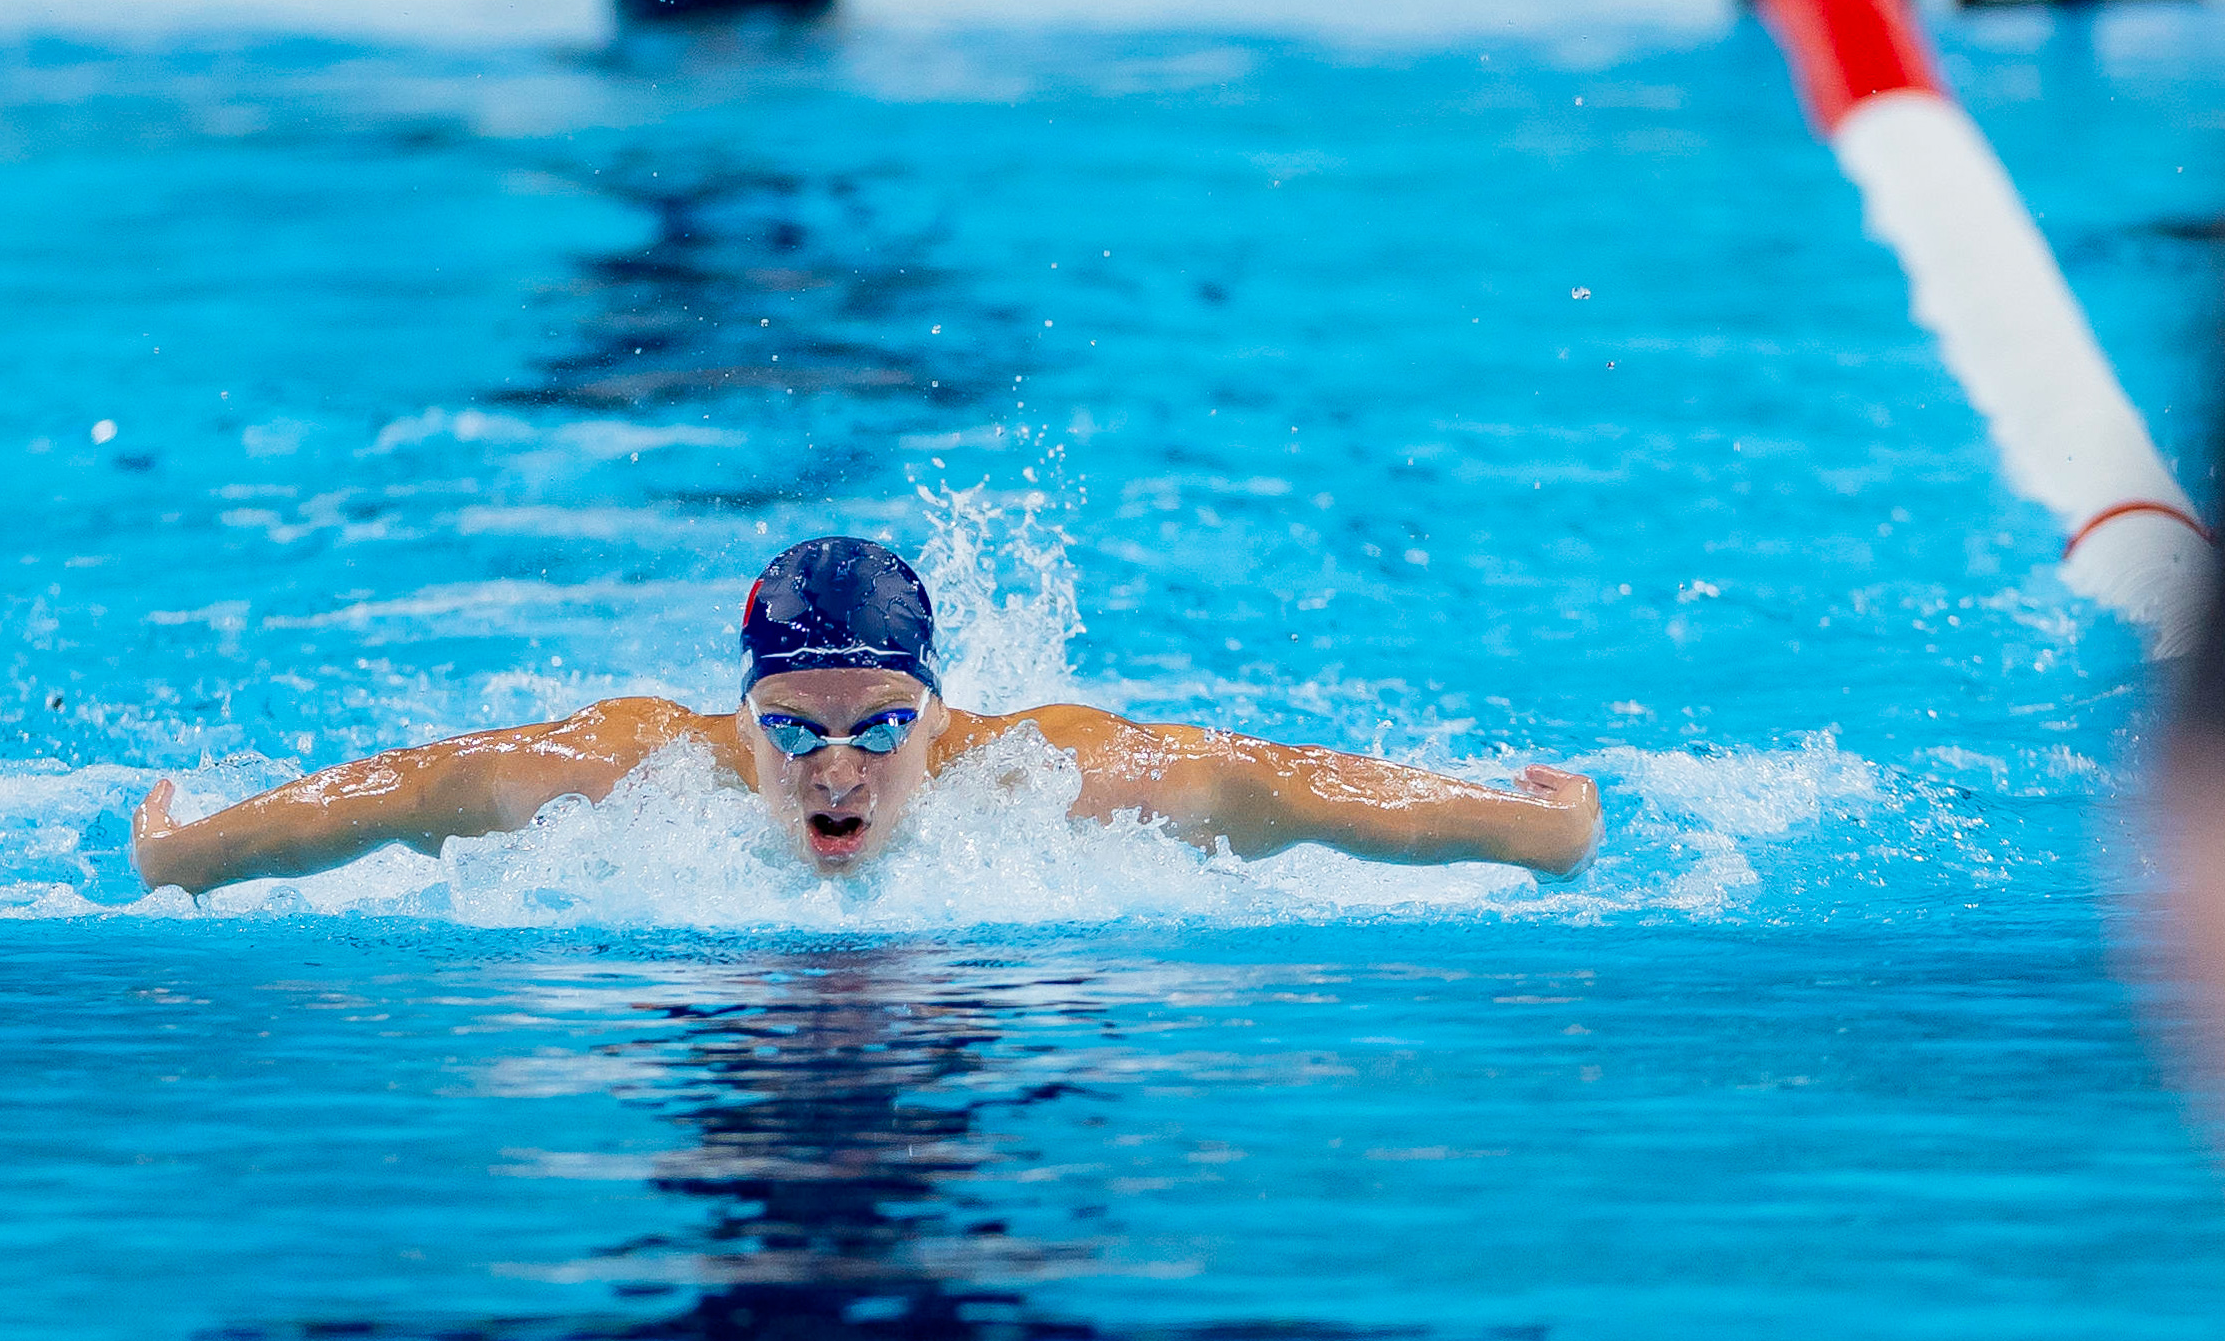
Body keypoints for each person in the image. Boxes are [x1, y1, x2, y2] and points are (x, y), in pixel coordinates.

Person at [129, 536, 1602, 895]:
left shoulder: (1054, 779)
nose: (835, 768)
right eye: (796, 731)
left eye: (880, 729)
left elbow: (1319, 792)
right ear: (743, 714)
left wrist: (1534, 833)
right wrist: (187, 855)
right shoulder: (627, 769)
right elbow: (392, 791)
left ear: (936, 715)